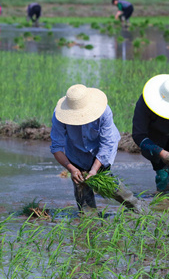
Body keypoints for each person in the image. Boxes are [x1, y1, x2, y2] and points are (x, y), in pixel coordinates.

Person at [50, 84, 148, 214]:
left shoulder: (103, 111)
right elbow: (56, 147)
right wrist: (72, 169)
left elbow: (107, 143)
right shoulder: (59, 115)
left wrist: (95, 169)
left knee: (112, 187)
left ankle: (140, 209)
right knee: (83, 194)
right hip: (75, 153)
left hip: (101, 151)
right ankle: (90, 222)